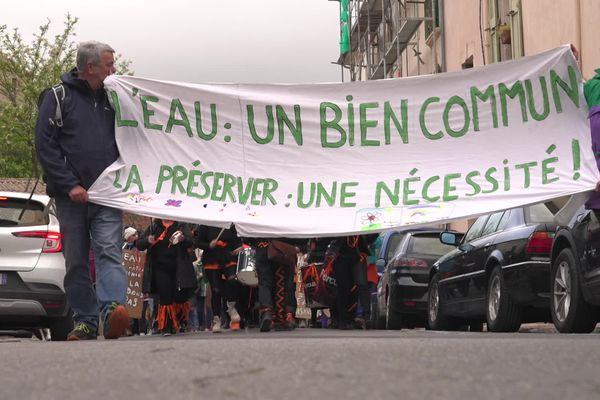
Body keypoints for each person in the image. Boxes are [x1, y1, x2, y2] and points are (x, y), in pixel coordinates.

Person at [35, 41, 128, 340]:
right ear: (91, 67)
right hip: (70, 198)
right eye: (109, 64)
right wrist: (69, 184)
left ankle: (113, 310)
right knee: (76, 261)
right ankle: (86, 321)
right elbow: (45, 146)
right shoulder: (57, 97)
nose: (114, 70)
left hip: (107, 195)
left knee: (109, 252)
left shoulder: (116, 97)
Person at [136, 219, 197, 336]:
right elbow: (139, 244)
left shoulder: (181, 225)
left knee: (178, 296)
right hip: (159, 268)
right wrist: (147, 241)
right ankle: (166, 326)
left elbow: (191, 242)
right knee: (165, 296)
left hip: (178, 268)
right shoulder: (154, 226)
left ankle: (178, 320)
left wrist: (183, 239)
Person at [194, 225, 243, 332]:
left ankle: (231, 306)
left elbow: (237, 239)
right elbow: (197, 242)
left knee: (232, 280)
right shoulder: (205, 223)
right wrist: (208, 245)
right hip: (212, 258)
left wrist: (238, 247)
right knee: (216, 290)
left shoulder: (229, 223)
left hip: (228, 255)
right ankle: (216, 319)